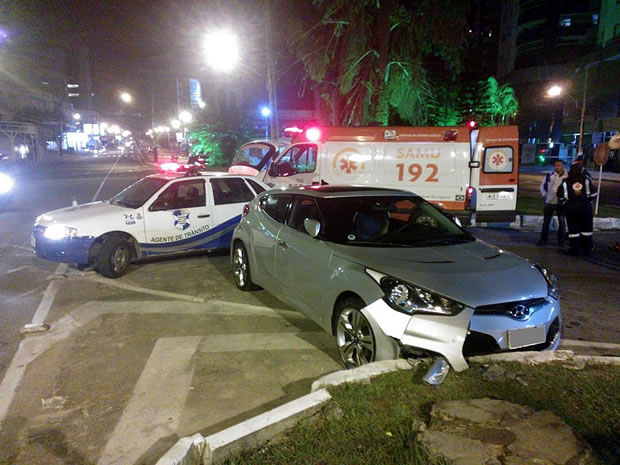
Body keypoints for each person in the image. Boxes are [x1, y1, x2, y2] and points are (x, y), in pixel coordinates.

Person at [557, 163, 597, 255]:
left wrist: (566, 203)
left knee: (573, 230)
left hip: (572, 209)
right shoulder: (586, 180)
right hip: (585, 208)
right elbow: (594, 194)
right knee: (587, 229)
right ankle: (587, 249)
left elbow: (560, 196)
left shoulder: (566, 182)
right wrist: (587, 201)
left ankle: (575, 249)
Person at [537, 160, 568, 246]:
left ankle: (561, 240)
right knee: (546, 222)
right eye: (555, 165)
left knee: (562, 222)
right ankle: (543, 239)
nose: (556, 167)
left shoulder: (567, 176)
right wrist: (545, 195)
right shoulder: (549, 175)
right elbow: (542, 186)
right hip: (549, 202)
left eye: (558, 165)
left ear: (563, 166)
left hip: (562, 203)